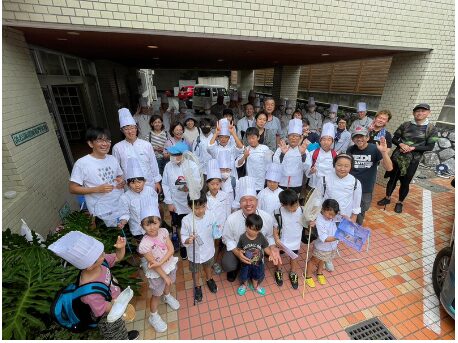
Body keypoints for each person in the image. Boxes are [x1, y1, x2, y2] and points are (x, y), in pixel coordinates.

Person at [48, 231, 139, 340]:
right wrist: (120, 304)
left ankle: (124, 336)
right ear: (89, 266)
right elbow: (101, 310)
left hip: (115, 305)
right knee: (114, 334)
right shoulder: (90, 293)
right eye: (100, 255)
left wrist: (120, 248)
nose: (104, 254)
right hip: (107, 317)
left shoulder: (101, 262)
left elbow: (117, 258)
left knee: (119, 327)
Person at [377, 103, 439, 213]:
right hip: (397, 157)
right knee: (393, 179)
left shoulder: (431, 129)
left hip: (413, 161)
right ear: (413, 113)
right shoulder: (406, 124)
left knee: (405, 182)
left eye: (423, 111)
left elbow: (430, 146)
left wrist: (413, 148)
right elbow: (395, 138)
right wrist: (401, 144)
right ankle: (387, 198)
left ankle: (400, 202)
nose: (420, 113)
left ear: (428, 113)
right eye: (417, 111)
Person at [221, 176, 282, 282]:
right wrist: (237, 253)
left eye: (251, 200)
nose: (248, 204)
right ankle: (236, 267)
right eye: (244, 200)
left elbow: (269, 236)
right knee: (228, 264)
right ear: (239, 203)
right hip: (239, 248)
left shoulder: (266, 217)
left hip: (256, 251)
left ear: (257, 202)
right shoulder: (232, 218)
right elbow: (227, 239)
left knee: (258, 274)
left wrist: (273, 248)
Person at [138, 197, 180, 333]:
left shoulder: (163, 232)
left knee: (168, 283)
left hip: (168, 265)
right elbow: (153, 264)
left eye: (154, 223)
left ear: (160, 221)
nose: (152, 227)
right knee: (156, 294)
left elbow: (171, 249)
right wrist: (163, 274)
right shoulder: (144, 244)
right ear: (142, 226)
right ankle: (153, 316)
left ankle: (167, 297)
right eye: (147, 224)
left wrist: (161, 262)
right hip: (157, 273)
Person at [69, 127, 124, 228]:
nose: (105, 143)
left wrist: (121, 181)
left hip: (120, 206)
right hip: (101, 212)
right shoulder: (82, 163)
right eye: (100, 140)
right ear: (90, 143)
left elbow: (119, 176)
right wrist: (97, 189)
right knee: (111, 239)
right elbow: (72, 188)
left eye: (107, 140)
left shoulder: (112, 158)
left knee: (125, 238)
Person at [315, 153, 362, 271]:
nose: (342, 168)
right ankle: (317, 257)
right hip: (325, 216)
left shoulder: (355, 182)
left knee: (336, 239)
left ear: (351, 167)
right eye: (339, 165)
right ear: (334, 165)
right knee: (322, 237)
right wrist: (315, 216)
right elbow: (318, 198)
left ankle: (328, 258)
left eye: (346, 166)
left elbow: (356, 203)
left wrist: (352, 220)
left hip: (342, 218)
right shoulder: (325, 179)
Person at [162, 141, 201, 260]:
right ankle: (183, 245)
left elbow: (198, 182)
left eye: (178, 154)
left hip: (190, 200)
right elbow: (165, 184)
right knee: (179, 225)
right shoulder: (168, 166)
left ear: (184, 154)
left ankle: (195, 242)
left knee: (193, 223)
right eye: (173, 155)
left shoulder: (192, 165)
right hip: (176, 203)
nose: (176, 157)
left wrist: (188, 187)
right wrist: (169, 202)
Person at [347, 126, 393, 225]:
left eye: (362, 136)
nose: (359, 139)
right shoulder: (350, 149)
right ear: (353, 139)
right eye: (356, 136)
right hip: (351, 186)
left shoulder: (375, 149)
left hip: (366, 188)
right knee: (348, 208)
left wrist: (384, 153)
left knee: (361, 211)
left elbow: (389, 168)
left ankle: (356, 229)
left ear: (367, 137)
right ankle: (347, 228)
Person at [113, 108, 162, 193]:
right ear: (122, 130)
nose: (130, 131)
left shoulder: (146, 145)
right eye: (126, 129)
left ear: (136, 128)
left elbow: (153, 163)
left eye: (132, 128)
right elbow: (116, 168)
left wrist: (157, 181)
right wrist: (120, 181)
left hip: (148, 183)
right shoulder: (117, 147)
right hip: (129, 185)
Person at [181, 191, 219, 302]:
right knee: (195, 271)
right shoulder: (186, 220)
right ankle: (197, 286)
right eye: (197, 208)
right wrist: (188, 240)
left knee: (208, 266)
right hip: (195, 252)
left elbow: (215, 227)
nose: (201, 210)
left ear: (206, 204)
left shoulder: (211, 215)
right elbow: (183, 236)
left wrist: (216, 230)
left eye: (203, 207)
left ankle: (209, 279)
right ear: (190, 206)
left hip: (208, 249)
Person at [118, 158, 160, 242]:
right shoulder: (125, 197)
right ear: (128, 184)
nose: (137, 185)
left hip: (152, 226)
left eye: (139, 182)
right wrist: (123, 221)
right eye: (133, 182)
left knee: (156, 245)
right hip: (137, 229)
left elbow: (156, 206)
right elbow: (125, 213)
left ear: (144, 181)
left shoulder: (150, 190)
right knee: (144, 247)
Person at [236, 213, 276, 296]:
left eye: (257, 230)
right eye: (252, 229)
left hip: (258, 263)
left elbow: (266, 248)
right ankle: (244, 285)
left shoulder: (260, 236)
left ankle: (255, 286)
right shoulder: (242, 237)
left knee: (257, 275)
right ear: (246, 226)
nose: (255, 232)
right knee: (244, 275)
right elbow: (239, 248)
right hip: (245, 263)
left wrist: (271, 254)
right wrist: (240, 252)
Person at [305, 199, 340, 288]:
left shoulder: (331, 217)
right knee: (314, 261)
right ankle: (307, 275)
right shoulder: (319, 220)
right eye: (329, 214)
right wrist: (338, 237)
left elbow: (341, 217)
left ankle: (319, 273)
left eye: (333, 215)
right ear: (323, 209)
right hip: (322, 247)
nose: (331, 217)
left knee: (323, 260)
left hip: (330, 247)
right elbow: (324, 238)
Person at [205, 159, 232, 274]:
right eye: (212, 184)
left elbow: (228, 212)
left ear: (220, 183)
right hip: (208, 226)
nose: (215, 187)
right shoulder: (204, 197)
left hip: (221, 226)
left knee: (217, 244)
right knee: (208, 244)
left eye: (217, 184)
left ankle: (214, 262)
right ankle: (208, 261)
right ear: (207, 184)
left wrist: (227, 225)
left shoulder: (224, 195)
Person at [273, 189, 303, 289]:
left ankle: (293, 272)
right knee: (279, 257)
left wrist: (311, 222)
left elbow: (308, 221)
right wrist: (276, 239)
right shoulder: (277, 213)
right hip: (282, 240)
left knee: (294, 256)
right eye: (292, 206)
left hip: (295, 240)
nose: (296, 207)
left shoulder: (302, 210)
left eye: (297, 204)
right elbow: (275, 228)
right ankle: (279, 270)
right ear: (283, 205)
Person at [273, 119, 309, 195]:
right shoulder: (281, 149)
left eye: (296, 136)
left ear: (300, 138)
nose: (293, 138)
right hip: (281, 182)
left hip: (296, 184)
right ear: (288, 137)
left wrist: (303, 154)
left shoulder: (304, 150)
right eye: (291, 136)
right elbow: (275, 165)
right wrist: (282, 154)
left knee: (293, 205)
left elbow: (306, 168)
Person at [236, 127, 273, 192]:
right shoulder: (246, 149)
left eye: (253, 138)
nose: (251, 140)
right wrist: (245, 156)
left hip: (262, 180)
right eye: (249, 139)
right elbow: (238, 163)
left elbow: (269, 165)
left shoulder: (265, 148)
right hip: (250, 180)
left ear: (258, 137)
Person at [304, 122, 337, 189]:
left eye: (329, 140)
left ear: (332, 142)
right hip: (314, 184)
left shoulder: (336, 155)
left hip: (329, 186)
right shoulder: (313, 153)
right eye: (323, 139)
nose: (326, 142)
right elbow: (306, 169)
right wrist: (310, 171)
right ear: (320, 141)